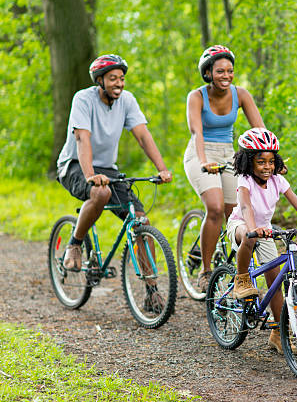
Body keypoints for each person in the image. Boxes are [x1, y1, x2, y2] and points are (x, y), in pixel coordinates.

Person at [56, 54, 172, 311]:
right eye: (112, 78)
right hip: (74, 164)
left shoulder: (127, 100)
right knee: (100, 193)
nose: (118, 83)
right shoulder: (83, 99)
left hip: (108, 168)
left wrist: (161, 169)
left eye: (121, 78)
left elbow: (142, 135)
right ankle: (75, 245)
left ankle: (151, 290)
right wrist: (89, 175)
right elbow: (82, 140)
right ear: (100, 81)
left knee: (140, 219)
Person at [226, 128, 297, 353]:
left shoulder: (277, 180)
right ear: (249, 162)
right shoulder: (245, 180)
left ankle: (278, 332)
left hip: (265, 231)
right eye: (260, 162)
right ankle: (242, 278)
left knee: (275, 280)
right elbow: (245, 206)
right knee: (248, 236)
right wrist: (253, 228)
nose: (266, 167)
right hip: (241, 224)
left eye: (270, 161)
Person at [183, 45, 266, 293]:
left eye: (230, 71)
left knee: (236, 214)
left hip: (229, 153)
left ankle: (233, 268)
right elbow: (197, 131)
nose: (226, 76)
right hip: (200, 152)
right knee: (216, 208)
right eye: (220, 71)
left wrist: (272, 160)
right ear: (208, 73)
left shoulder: (240, 94)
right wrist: (202, 161)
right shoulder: (196, 96)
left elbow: (259, 129)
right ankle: (205, 271)